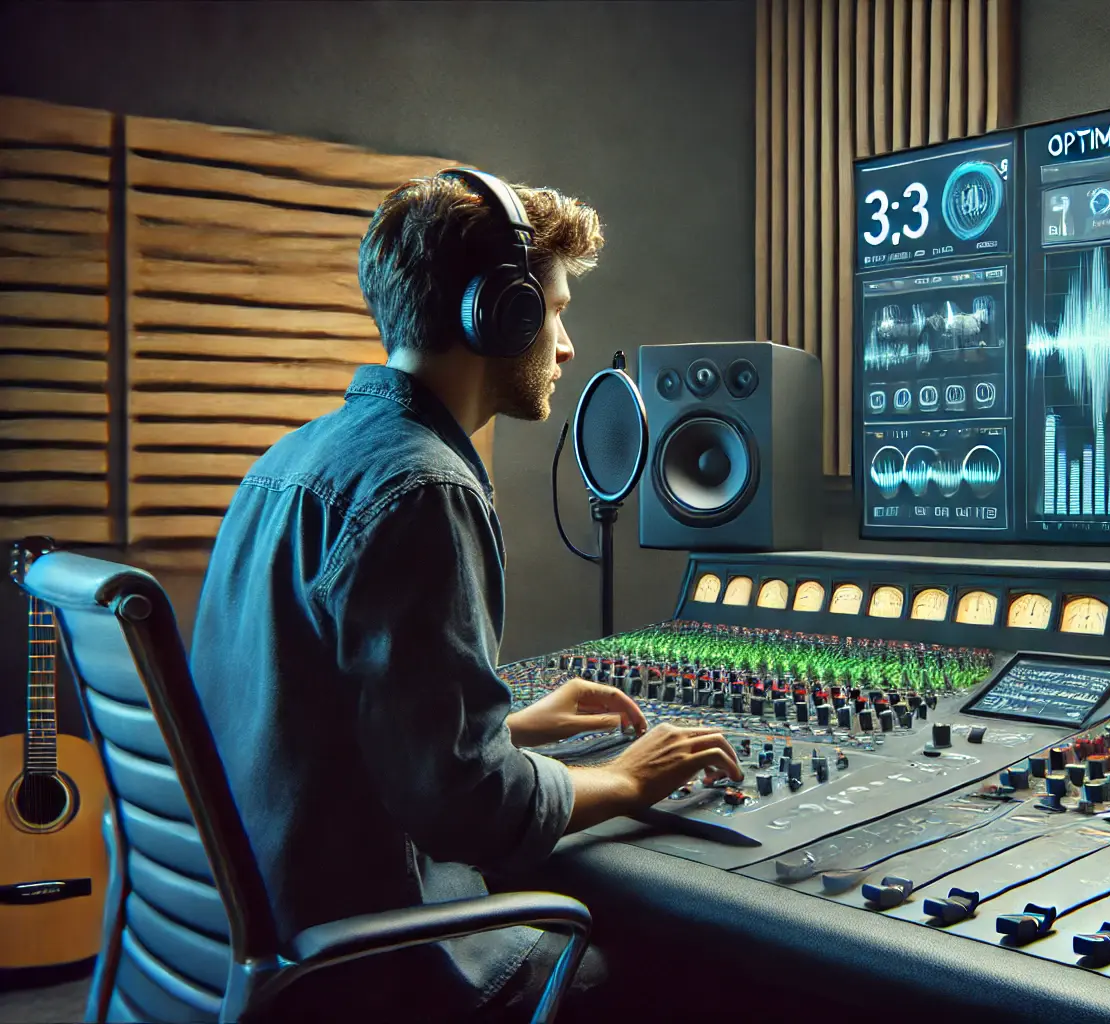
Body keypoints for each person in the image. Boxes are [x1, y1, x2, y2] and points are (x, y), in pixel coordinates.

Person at [187, 169, 742, 1022]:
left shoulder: (291, 461)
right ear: (502, 312)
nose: (564, 345)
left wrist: (509, 725)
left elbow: (299, 716)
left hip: (249, 933)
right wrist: (629, 780)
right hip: (368, 959)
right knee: (700, 965)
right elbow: (471, 812)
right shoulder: (423, 488)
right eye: (553, 310)